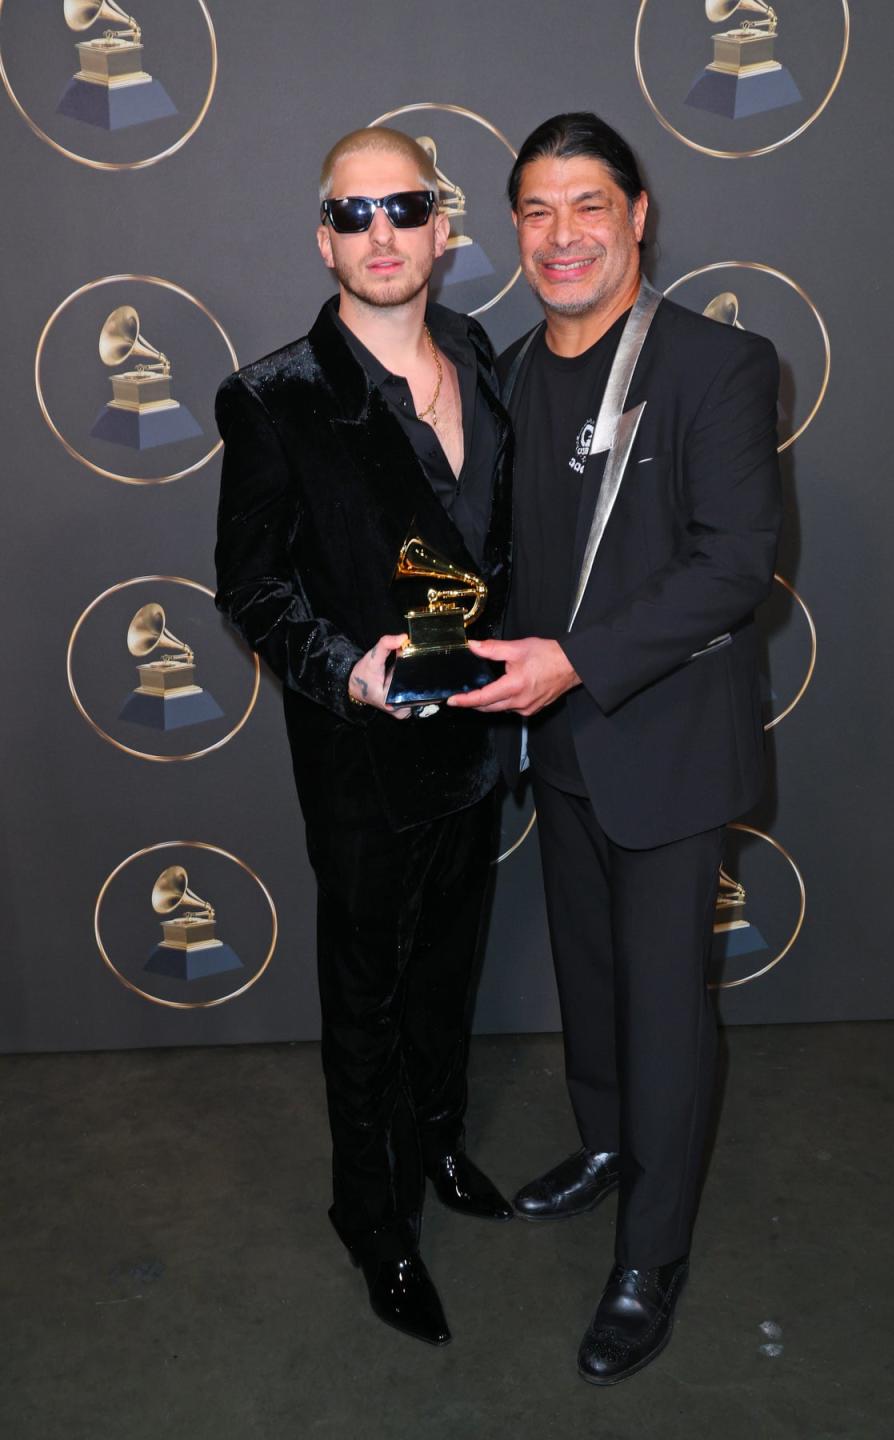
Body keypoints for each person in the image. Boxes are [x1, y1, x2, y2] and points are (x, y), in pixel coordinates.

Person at [449, 112, 781, 1383]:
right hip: (562, 746)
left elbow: (734, 567)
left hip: (669, 746)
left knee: (662, 1008)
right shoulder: (515, 372)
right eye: (536, 209)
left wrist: (576, 661)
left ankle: (653, 1255)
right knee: (590, 981)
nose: (562, 234)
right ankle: (603, 1144)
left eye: (588, 204)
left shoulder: (718, 364)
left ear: (637, 215)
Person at [214, 127, 513, 1349]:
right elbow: (251, 586)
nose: (381, 233)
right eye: (355, 214)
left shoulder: (485, 351)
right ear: (323, 238)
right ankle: (370, 1216)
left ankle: (437, 1148)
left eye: (405, 208)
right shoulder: (275, 395)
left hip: (481, 744)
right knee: (366, 996)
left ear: (443, 226)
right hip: (363, 764)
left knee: (451, 971)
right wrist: (346, 674)